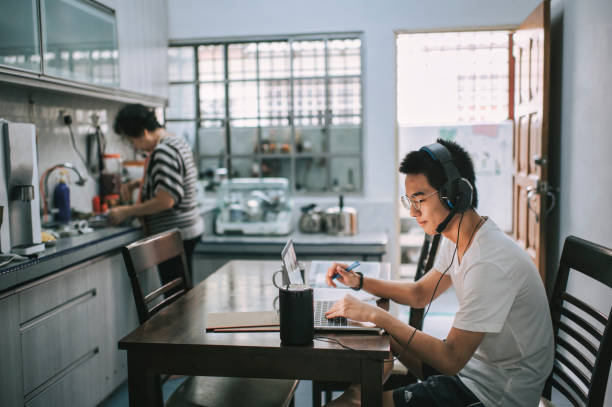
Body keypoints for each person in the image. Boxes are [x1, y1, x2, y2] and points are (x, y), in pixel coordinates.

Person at [323, 139, 554, 407]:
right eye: (409, 201)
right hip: (470, 372)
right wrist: (360, 282)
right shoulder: (460, 237)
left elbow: (450, 357)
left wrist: (377, 315)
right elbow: (420, 293)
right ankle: (359, 394)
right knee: (378, 337)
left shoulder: (488, 262)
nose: (412, 212)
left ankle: (359, 398)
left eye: (420, 199)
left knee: (354, 401)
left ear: (456, 194)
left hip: (492, 395)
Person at [108, 104, 204, 284]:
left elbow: (166, 200)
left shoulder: (162, 151)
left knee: (176, 301)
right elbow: (176, 181)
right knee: (182, 296)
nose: (135, 147)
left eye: (131, 141)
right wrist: (141, 183)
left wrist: (126, 211)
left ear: (144, 132)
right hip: (186, 229)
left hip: (174, 234)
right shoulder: (175, 141)